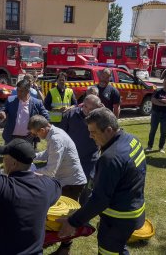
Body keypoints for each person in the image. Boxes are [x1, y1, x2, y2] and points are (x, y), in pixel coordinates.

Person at [58, 108, 146, 255]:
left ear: (109, 130)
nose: (90, 137)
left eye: (94, 132)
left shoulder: (110, 158)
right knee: (119, 247)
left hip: (117, 220)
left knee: (108, 252)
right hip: (134, 210)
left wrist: (72, 222)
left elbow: (99, 200)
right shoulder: (132, 140)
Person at [28, 114, 87, 255]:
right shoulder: (53, 134)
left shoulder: (56, 139)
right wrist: (30, 156)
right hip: (66, 181)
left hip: (72, 183)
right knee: (55, 214)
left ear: (42, 129)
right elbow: (47, 154)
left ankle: (65, 248)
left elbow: (50, 171)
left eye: (36, 134)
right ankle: (55, 240)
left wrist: (29, 174)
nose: (36, 137)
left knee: (64, 217)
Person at [60, 94, 104, 206]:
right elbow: (61, 136)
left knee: (86, 190)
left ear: (98, 108)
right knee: (68, 189)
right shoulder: (70, 115)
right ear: (82, 104)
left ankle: (83, 216)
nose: (87, 111)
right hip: (70, 160)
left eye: (91, 109)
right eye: (85, 107)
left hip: (89, 161)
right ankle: (68, 211)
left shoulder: (101, 118)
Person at [1, 79, 49, 146]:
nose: (18, 93)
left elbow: (46, 117)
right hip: (10, 137)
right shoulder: (10, 100)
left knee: (25, 156)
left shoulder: (37, 103)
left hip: (28, 138)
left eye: (21, 91)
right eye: (17, 90)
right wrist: (2, 113)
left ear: (28, 91)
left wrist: (36, 130)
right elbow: (3, 109)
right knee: (9, 156)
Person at [146, 76, 166, 153]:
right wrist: (165, 103)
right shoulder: (157, 91)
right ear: (163, 82)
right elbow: (153, 100)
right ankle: (150, 146)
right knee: (153, 130)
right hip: (156, 113)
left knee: (163, 132)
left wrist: (161, 100)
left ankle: (161, 147)